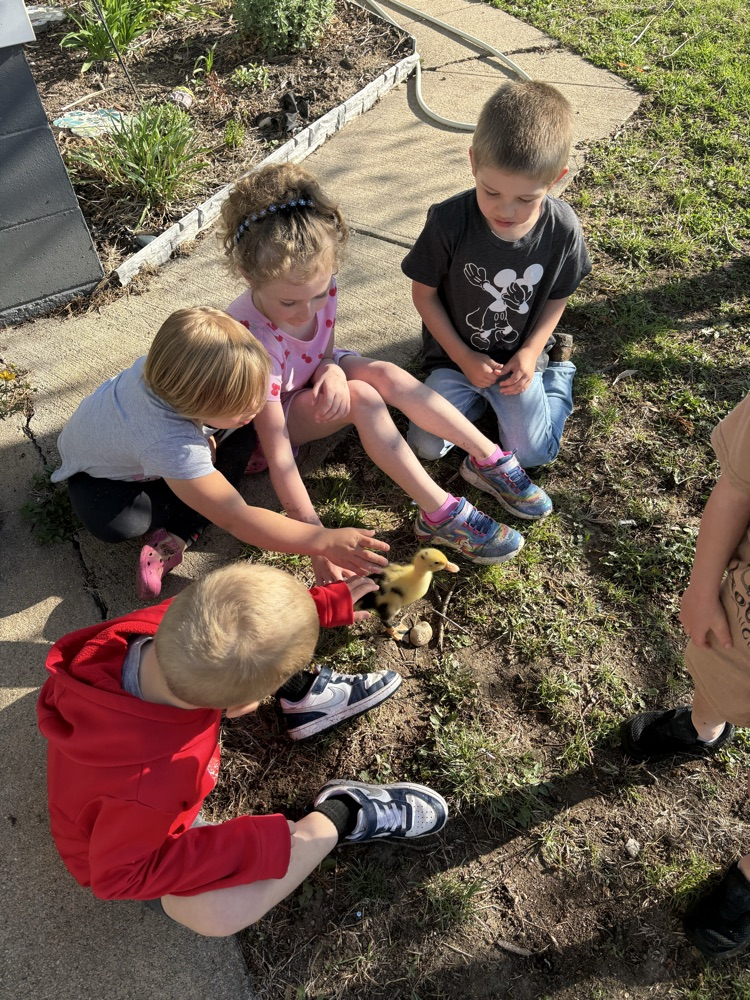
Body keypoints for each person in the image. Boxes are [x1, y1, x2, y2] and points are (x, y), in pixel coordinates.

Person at [37, 562, 448, 936]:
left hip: (118, 798)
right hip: (131, 847)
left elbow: (237, 623)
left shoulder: (149, 628)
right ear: (241, 705)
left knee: (231, 657)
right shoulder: (152, 784)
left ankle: (301, 698)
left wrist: (320, 606)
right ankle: (343, 813)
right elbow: (118, 878)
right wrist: (255, 846)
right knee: (219, 916)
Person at [219, 163, 553, 586]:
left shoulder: (317, 285)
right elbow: (279, 453)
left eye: (319, 295)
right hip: (265, 429)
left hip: (306, 381)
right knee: (364, 396)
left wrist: (330, 368)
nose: (308, 311)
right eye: (290, 304)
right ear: (250, 276)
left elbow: (322, 348)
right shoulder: (251, 340)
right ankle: (441, 513)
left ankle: (490, 457)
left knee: (385, 373)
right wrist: (315, 539)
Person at [50, 306, 389, 599]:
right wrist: (322, 541)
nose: (256, 409)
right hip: (99, 478)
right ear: (195, 406)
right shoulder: (168, 439)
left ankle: (179, 531)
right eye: (242, 407)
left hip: (143, 444)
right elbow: (237, 518)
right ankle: (182, 529)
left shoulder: (174, 368)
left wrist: (220, 427)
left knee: (242, 435)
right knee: (118, 523)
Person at [402, 80, 592, 470]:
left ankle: (557, 375)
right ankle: (480, 405)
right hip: (454, 362)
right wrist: (464, 356)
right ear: (473, 162)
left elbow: (559, 295)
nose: (506, 210)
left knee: (534, 455)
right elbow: (424, 294)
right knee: (424, 444)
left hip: (516, 366)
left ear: (557, 177)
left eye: (526, 199)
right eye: (490, 192)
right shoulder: (448, 221)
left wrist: (531, 351)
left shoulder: (562, 228)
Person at [622, 394, 750, 959]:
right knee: (713, 678)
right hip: (742, 634)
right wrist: (701, 587)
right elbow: (737, 488)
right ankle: (702, 728)